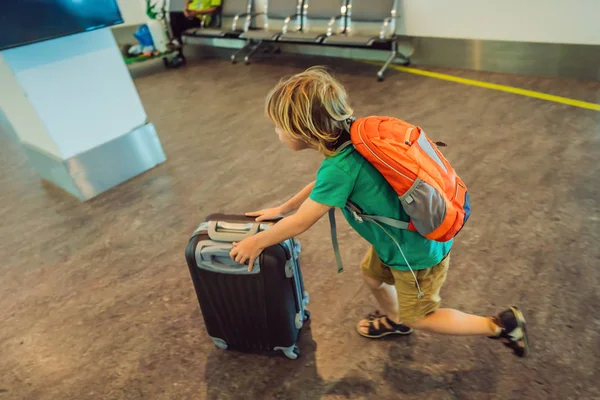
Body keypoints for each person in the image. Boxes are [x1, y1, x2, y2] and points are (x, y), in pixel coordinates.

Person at [229, 67, 529, 358]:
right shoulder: (354, 138)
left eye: (279, 126)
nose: (276, 132)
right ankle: (395, 317)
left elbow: (302, 222)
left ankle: (499, 325)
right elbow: (320, 187)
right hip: (400, 241)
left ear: (304, 131)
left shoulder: (339, 168)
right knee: (372, 276)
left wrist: (256, 243)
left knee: (421, 316)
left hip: (415, 254)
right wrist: (283, 208)